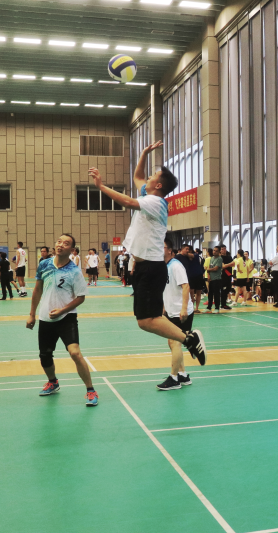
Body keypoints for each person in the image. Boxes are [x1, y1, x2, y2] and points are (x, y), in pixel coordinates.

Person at [88, 141, 206, 366]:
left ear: (159, 185)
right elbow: (138, 176)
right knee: (145, 321)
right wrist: (144, 153)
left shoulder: (156, 202)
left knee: (147, 321)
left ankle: (189, 339)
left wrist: (101, 186)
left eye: (154, 176)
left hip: (151, 267)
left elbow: (127, 201)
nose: (148, 177)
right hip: (144, 267)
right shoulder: (149, 196)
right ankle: (189, 339)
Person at [27, 233, 98, 406]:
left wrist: (62, 310)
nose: (60, 245)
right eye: (59, 241)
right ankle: (53, 382)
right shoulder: (44, 264)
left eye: (65, 243)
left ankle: (90, 390)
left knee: (75, 353)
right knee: (45, 355)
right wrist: (32, 314)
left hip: (67, 317)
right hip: (46, 318)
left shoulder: (74, 271)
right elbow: (37, 290)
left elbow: (81, 297)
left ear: (72, 250)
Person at [157, 237, 198, 390]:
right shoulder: (164, 266)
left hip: (181, 312)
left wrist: (184, 309)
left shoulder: (176, 266)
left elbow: (186, 287)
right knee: (172, 343)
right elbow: (166, 289)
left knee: (175, 343)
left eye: (162, 246)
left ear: (169, 250)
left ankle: (174, 378)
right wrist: (164, 308)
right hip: (170, 311)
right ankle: (183, 375)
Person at [184, 245, 206, 313]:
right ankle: (192, 308)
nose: (186, 251)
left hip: (198, 276)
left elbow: (190, 255)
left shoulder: (196, 255)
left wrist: (183, 252)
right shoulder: (185, 258)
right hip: (190, 276)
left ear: (190, 250)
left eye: (187, 249)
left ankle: (196, 308)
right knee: (191, 293)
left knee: (198, 292)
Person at [205, 247, 223, 313]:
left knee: (216, 294)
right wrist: (209, 276)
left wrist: (208, 270)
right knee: (210, 294)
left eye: (216, 251)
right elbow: (210, 267)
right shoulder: (212, 258)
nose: (214, 252)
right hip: (211, 279)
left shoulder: (219, 259)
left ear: (219, 252)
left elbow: (215, 268)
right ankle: (209, 307)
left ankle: (217, 308)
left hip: (217, 279)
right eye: (214, 250)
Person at [220, 245, 235, 310]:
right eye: (222, 249)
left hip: (229, 275)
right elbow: (223, 266)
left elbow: (233, 264)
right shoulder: (220, 257)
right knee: (223, 290)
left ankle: (225, 304)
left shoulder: (229, 257)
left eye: (224, 249)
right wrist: (229, 264)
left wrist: (227, 265)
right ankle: (222, 305)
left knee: (227, 290)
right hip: (223, 276)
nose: (223, 250)